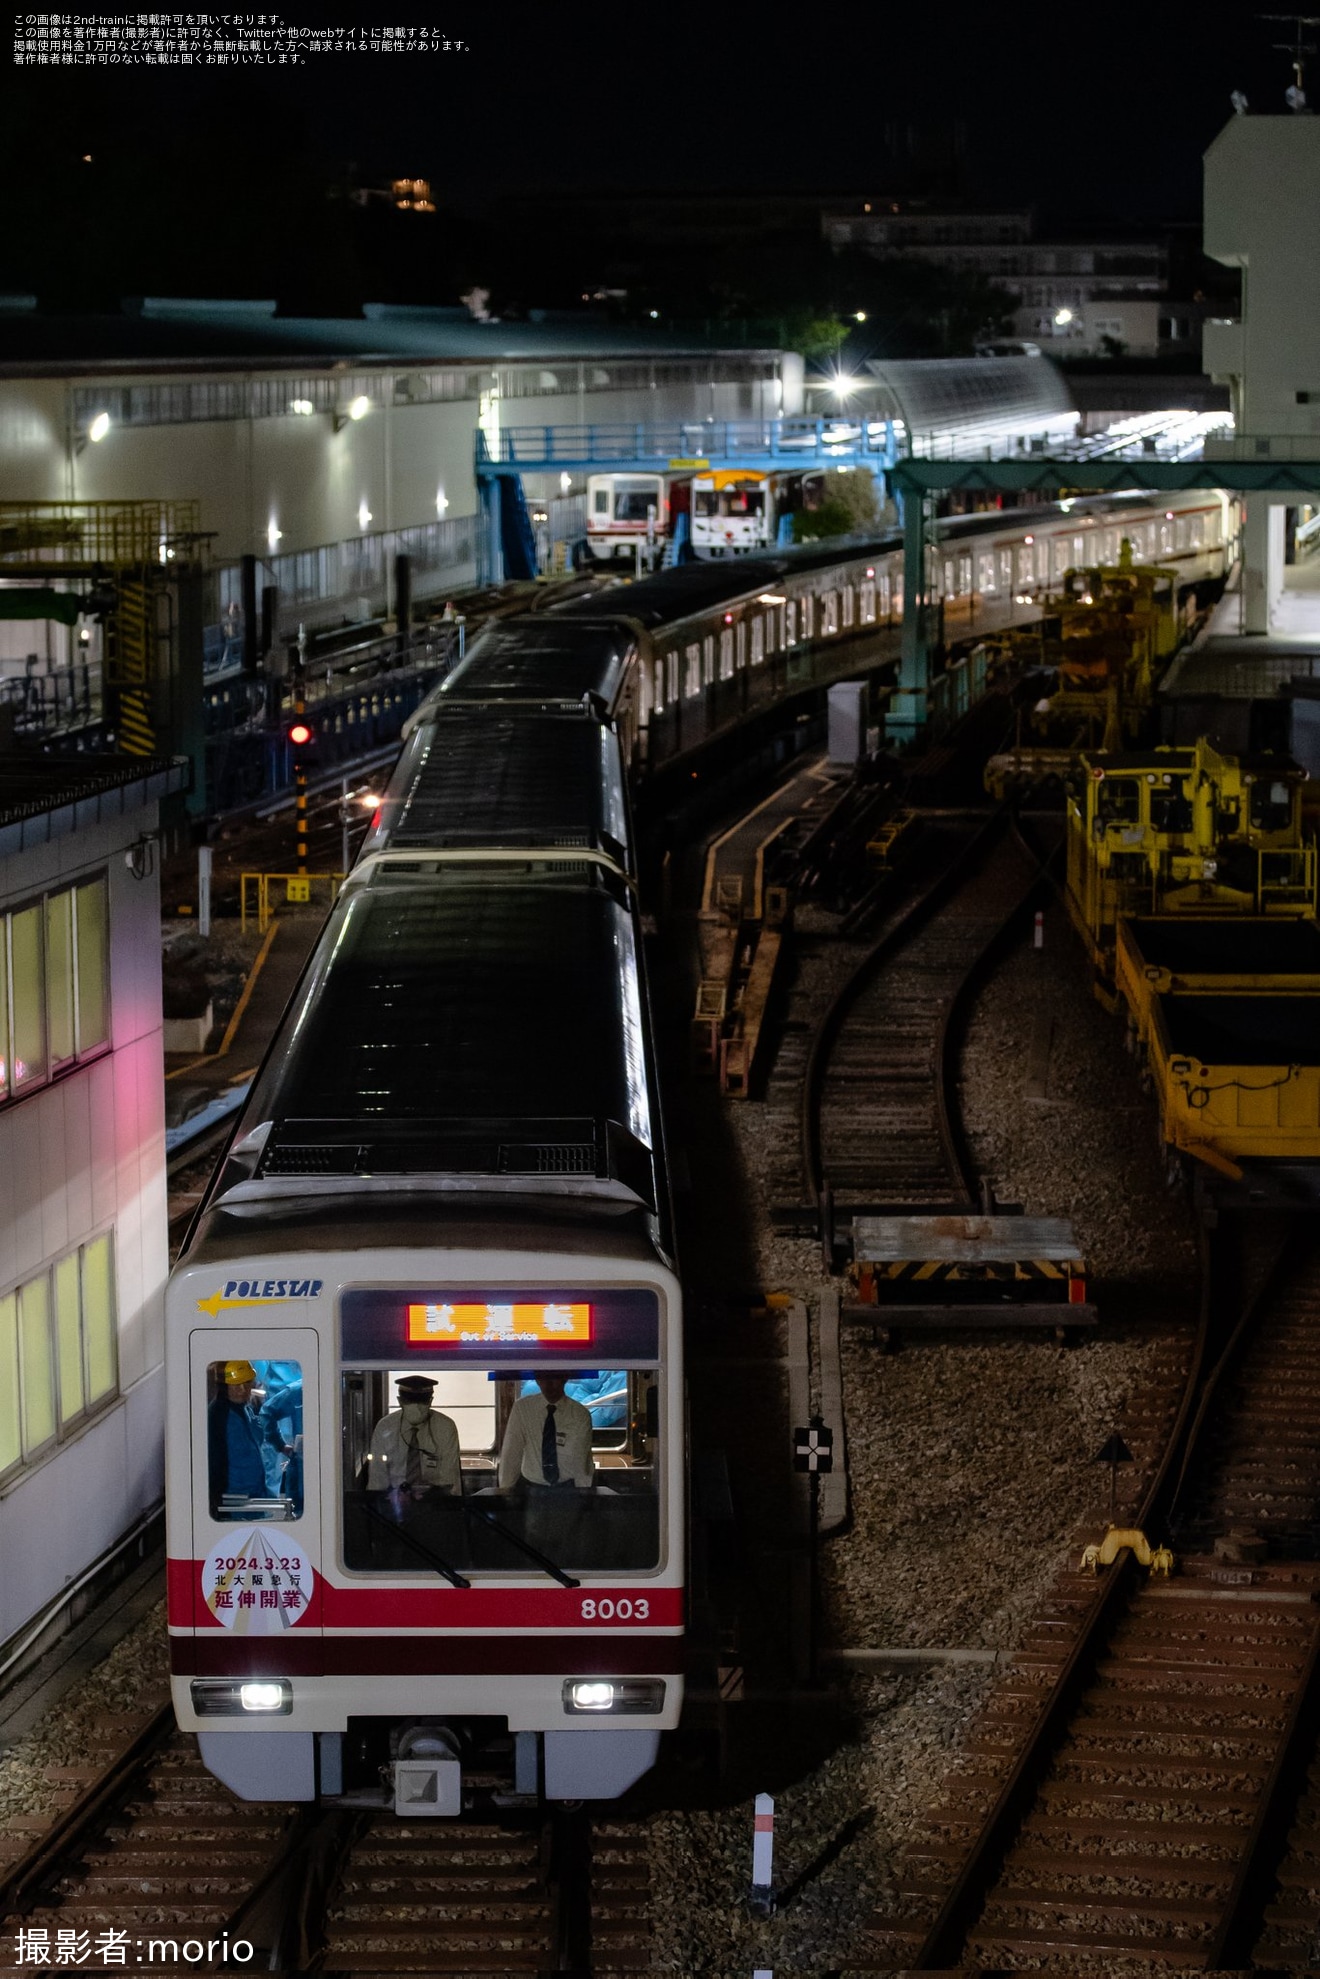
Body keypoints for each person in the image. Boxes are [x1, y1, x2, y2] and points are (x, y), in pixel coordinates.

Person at [366, 1375, 461, 1500]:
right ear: (400, 1401)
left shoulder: (445, 1427)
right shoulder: (386, 1427)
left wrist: (430, 1497)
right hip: (393, 1501)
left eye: (422, 1400)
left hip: (435, 1502)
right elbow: (377, 1479)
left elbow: (449, 1480)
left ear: (430, 1401)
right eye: (410, 1400)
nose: (416, 1406)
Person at [499, 1373, 594, 1491]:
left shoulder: (579, 1414)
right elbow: (512, 1451)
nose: (549, 1384)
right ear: (537, 1380)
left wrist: (584, 1493)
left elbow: (582, 1459)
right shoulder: (523, 1408)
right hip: (532, 1488)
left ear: (564, 1378)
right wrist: (505, 1489)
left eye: (554, 1377)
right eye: (543, 1377)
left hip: (568, 1489)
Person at [207, 1360, 273, 1515]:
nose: (242, 1390)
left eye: (247, 1383)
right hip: (233, 1501)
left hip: (254, 1495)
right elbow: (214, 1462)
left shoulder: (245, 1409)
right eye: (236, 1385)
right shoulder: (217, 1416)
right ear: (225, 1387)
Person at [258, 1368, 304, 1514]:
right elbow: (267, 1412)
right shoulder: (297, 1391)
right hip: (301, 1465)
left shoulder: (297, 1390)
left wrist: (279, 1444)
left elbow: (267, 1412)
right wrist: (279, 1444)